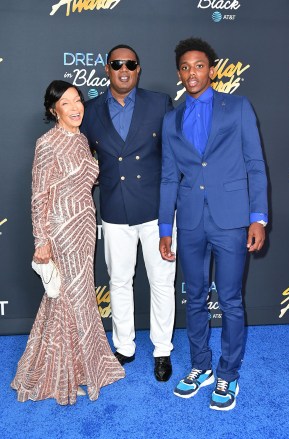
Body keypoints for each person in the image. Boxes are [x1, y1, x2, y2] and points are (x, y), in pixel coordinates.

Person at [159, 38, 268, 410]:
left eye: (200, 66)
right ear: (179, 73)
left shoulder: (237, 107)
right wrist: (164, 229)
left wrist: (258, 218)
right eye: (186, 67)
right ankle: (200, 366)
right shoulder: (171, 119)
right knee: (194, 299)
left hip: (232, 219)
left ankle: (229, 374)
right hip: (189, 221)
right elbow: (169, 178)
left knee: (232, 300)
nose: (193, 72)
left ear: (212, 70)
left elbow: (255, 164)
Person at [11, 80, 125, 405]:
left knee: (76, 297)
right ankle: (63, 372)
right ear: (53, 110)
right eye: (66, 103)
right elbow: (39, 196)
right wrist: (41, 241)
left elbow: (87, 179)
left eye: (78, 101)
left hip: (86, 224)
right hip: (61, 228)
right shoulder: (47, 144)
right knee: (69, 298)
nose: (76, 108)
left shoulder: (83, 139)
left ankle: (79, 366)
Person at [81, 44, 176, 382]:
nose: (124, 69)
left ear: (139, 69)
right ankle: (124, 346)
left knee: (162, 282)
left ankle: (162, 350)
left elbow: (173, 158)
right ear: (107, 68)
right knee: (119, 281)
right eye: (117, 63)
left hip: (155, 211)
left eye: (130, 64)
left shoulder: (160, 103)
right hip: (115, 212)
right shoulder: (89, 111)